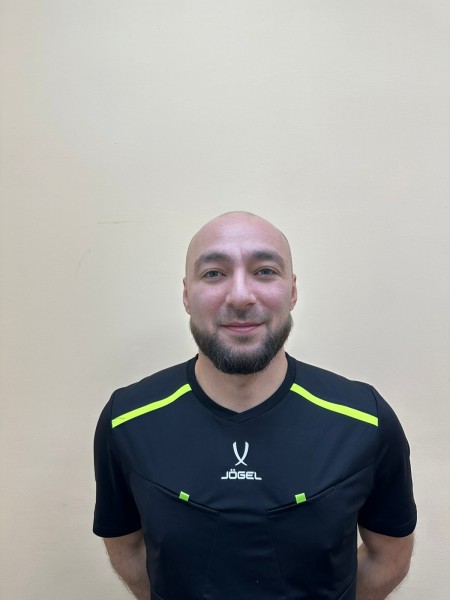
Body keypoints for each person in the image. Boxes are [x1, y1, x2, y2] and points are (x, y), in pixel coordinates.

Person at [93, 211, 416, 600]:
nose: (241, 296)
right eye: (214, 273)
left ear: (292, 291)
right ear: (186, 295)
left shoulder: (365, 420)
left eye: (264, 271)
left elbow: (389, 556)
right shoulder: (127, 419)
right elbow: (127, 549)